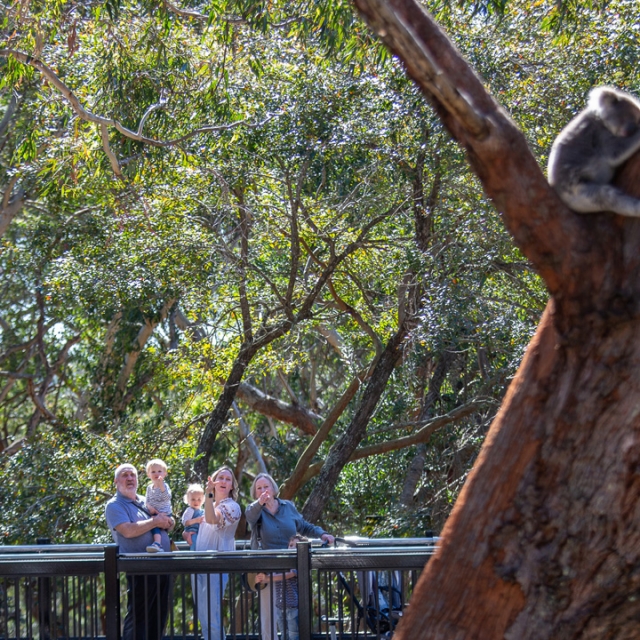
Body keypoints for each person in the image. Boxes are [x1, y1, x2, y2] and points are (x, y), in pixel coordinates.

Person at [245, 473, 335, 640]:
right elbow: (249, 515)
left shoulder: (288, 507)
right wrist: (260, 503)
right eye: (259, 488)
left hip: (291, 570)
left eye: (266, 486)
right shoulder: (254, 510)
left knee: (293, 620)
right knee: (269, 620)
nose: (263, 490)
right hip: (267, 572)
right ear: (255, 493)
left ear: (273, 489)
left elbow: (304, 526)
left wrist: (322, 534)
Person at [105, 463, 175, 640]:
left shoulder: (146, 500)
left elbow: (167, 518)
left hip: (162, 566)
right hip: (140, 568)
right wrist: (155, 522)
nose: (129, 478)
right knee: (138, 620)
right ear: (116, 481)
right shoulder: (114, 505)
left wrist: (169, 522)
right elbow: (127, 530)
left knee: (158, 619)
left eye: (133, 475)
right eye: (125, 475)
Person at [192, 466, 241, 640]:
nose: (224, 481)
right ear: (213, 481)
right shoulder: (206, 505)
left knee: (212, 616)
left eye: (228, 479)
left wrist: (208, 494)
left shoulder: (232, 507)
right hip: (198, 564)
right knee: (203, 617)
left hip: (217, 565)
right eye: (220, 477)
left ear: (232, 486)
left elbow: (213, 519)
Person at [254, 534, 308, 640]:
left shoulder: (298, 563)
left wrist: (267, 578)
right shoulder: (283, 562)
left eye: (296, 546)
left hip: (292, 606)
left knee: (294, 635)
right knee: (284, 635)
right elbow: (274, 574)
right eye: (291, 545)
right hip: (279, 607)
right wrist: (260, 578)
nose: (292, 548)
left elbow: (288, 575)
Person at [144, 458, 172, 553]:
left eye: (159, 471)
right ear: (149, 475)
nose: (156, 473)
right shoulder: (149, 488)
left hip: (165, 514)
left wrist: (161, 486)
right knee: (153, 524)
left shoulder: (165, 486)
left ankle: (157, 543)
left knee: (156, 525)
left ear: (165, 474)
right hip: (155, 514)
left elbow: (167, 497)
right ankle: (158, 543)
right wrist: (150, 507)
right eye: (153, 471)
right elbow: (146, 500)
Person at [181, 483, 205, 550]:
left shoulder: (202, 511)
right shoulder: (190, 510)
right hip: (191, 532)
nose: (196, 502)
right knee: (194, 543)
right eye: (193, 499)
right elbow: (185, 522)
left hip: (199, 533)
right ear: (187, 500)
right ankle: (193, 556)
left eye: (199, 499)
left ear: (203, 500)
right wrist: (196, 520)